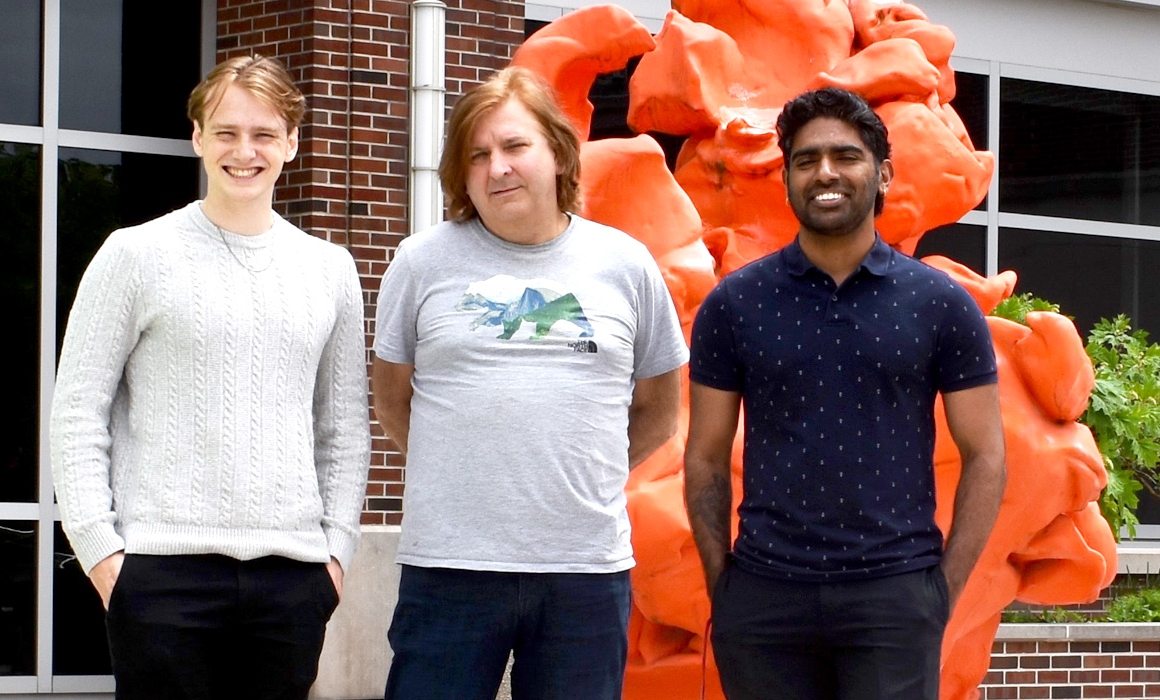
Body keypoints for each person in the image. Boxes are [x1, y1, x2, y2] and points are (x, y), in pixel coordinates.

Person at [50, 55, 370, 700]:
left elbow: (342, 426)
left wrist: (335, 553)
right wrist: (101, 552)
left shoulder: (329, 270)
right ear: (197, 138)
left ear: (292, 142)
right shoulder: (134, 254)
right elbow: (76, 410)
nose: (243, 151)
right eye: (225, 132)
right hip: (160, 572)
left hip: (293, 577)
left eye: (263, 134)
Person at [371, 66, 689, 700]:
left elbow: (659, 407)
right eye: (478, 154)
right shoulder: (420, 262)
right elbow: (392, 398)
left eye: (515, 146)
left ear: (557, 151)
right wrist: (463, 468)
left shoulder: (626, 264)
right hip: (449, 570)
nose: (498, 168)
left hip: (584, 574)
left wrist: (583, 470)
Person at [683, 87, 1006, 700]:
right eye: (805, 160)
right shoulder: (736, 303)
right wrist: (723, 585)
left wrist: (942, 591)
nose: (824, 172)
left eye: (845, 156)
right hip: (763, 600)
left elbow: (987, 453)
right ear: (787, 181)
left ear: (882, 173)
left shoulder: (940, 304)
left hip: (894, 599)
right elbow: (703, 456)